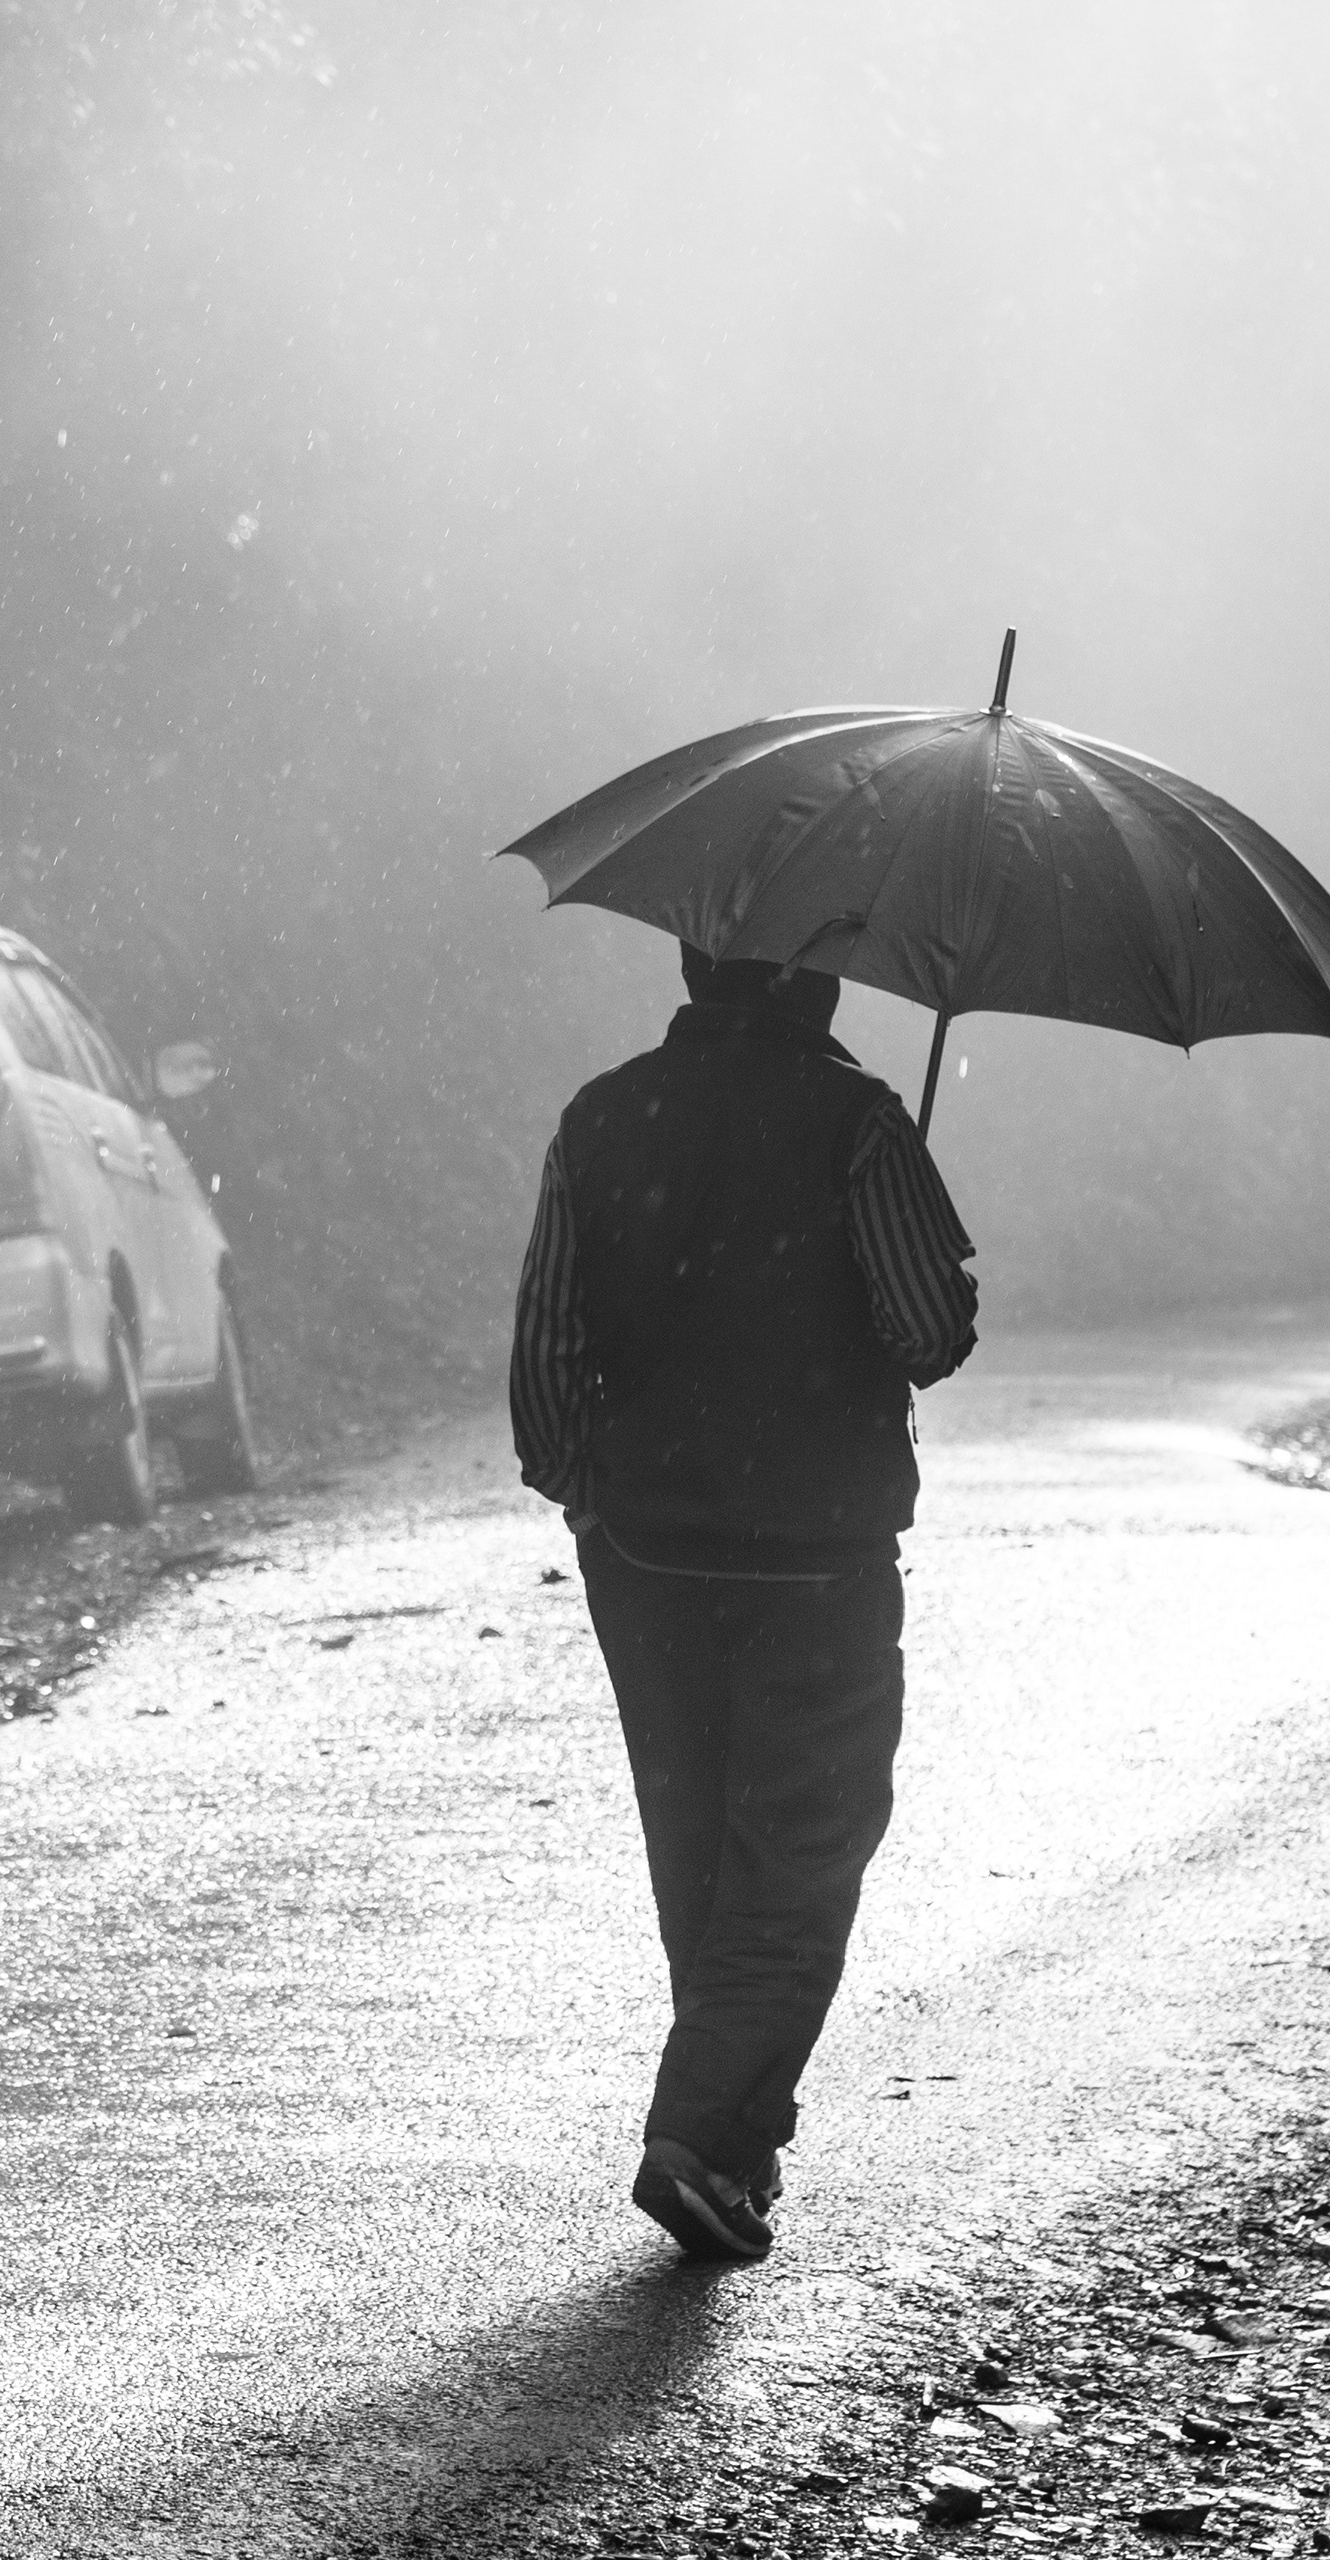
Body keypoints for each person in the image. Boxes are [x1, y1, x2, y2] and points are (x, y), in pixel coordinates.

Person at [510, 942, 978, 2262]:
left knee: (700, 1849)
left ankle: (733, 2145)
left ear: (689, 961)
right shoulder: (862, 1123)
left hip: (645, 1559)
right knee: (804, 1849)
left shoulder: (604, 1116)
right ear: (818, 987)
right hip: (818, 1556)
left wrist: (591, 1498)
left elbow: (547, 1347)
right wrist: (919, 1267)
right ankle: (699, 2129)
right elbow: (929, 1336)